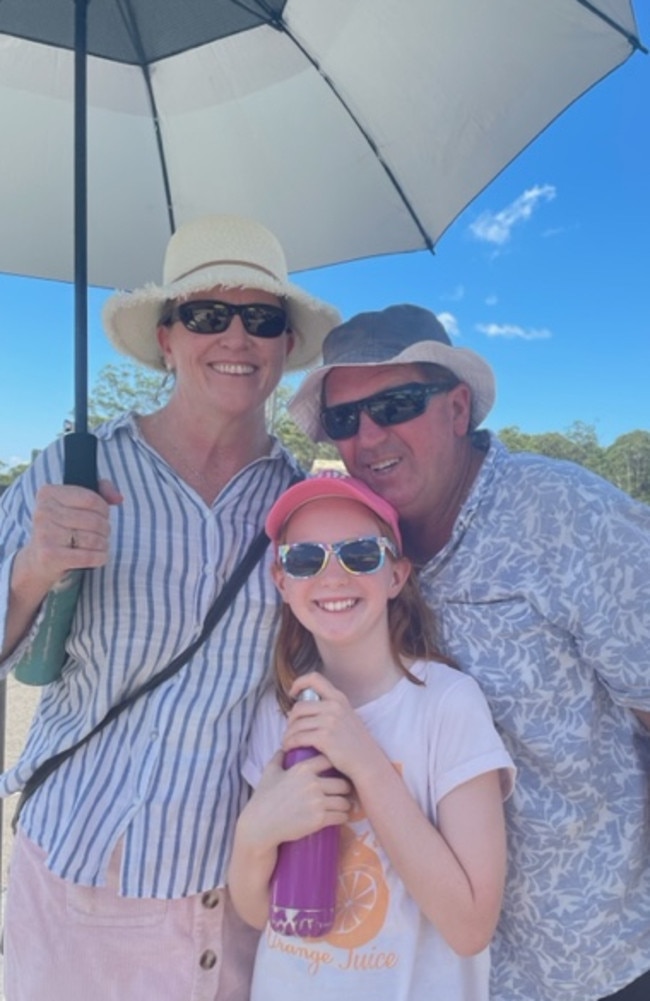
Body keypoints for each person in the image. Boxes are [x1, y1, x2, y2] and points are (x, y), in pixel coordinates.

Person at [0, 213, 341, 1001]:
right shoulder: (74, 470)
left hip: (240, 885)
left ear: (287, 345)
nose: (236, 336)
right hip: (86, 867)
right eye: (206, 314)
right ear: (166, 336)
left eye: (261, 319)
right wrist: (30, 571)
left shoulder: (303, 505)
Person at [287, 304, 650, 1001]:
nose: (368, 435)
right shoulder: (355, 550)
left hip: (597, 961)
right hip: (432, 968)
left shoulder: (567, 515)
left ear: (458, 409)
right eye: (344, 418)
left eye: (395, 404)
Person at [228, 472, 515, 1001]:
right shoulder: (282, 709)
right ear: (281, 581)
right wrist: (254, 835)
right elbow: (259, 912)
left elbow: (471, 927)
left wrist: (364, 762)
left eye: (360, 554)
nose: (331, 575)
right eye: (305, 559)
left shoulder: (447, 704)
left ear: (396, 576)